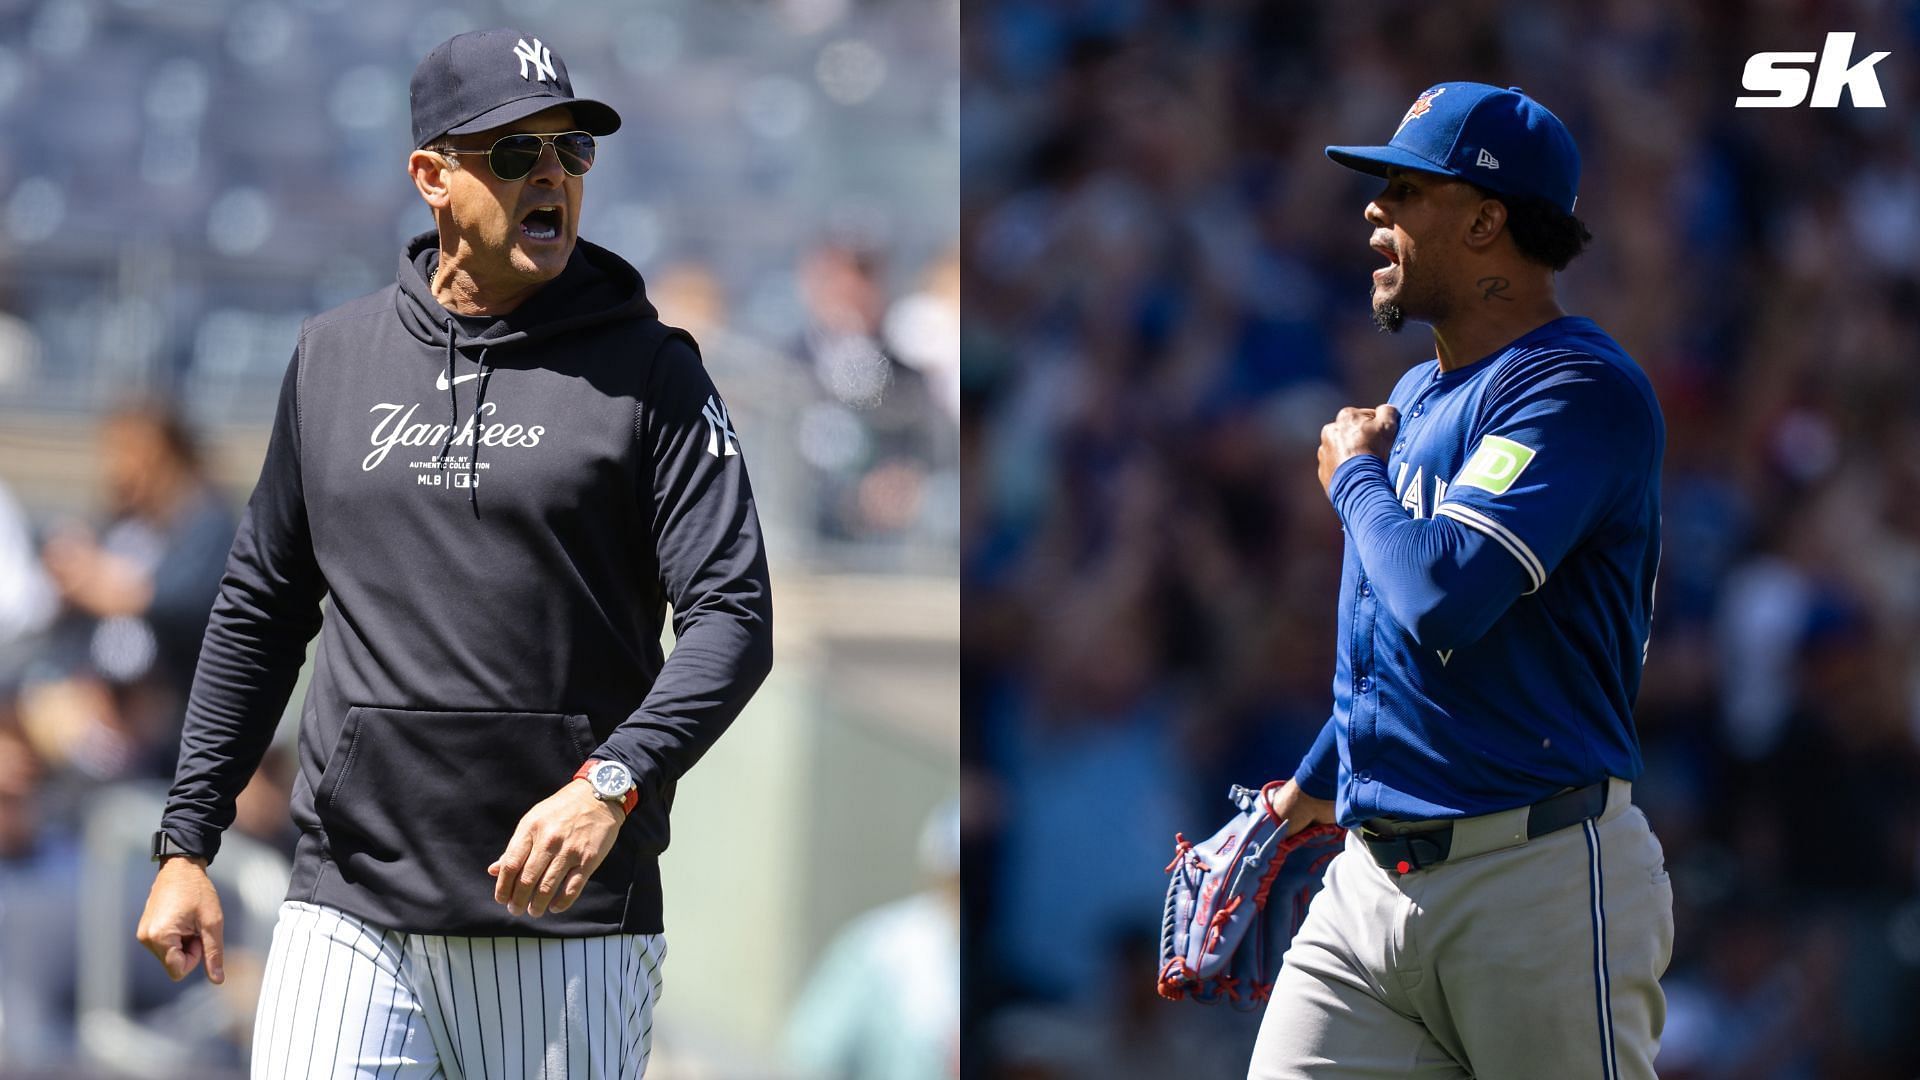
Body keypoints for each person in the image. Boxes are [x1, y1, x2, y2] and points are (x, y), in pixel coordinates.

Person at [135, 28, 773, 1079]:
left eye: (572, 151)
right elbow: (259, 608)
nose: (553, 177)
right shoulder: (332, 358)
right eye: (516, 154)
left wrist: (612, 780)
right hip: (348, 902)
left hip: (560, 922)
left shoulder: (653, 373)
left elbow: (734, 619)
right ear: (432, 177)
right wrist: (187, 841)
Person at [1252, 83, 1673, 1079]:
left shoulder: (1576, 389)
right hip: (1369, 884)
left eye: (1404, 189)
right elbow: (1398, 654)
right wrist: (1312, 789)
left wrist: (1354, 476)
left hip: (1534, 881)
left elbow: (1445, 598)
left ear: (1487, 220)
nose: (1373, 209)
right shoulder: (1419, 394)